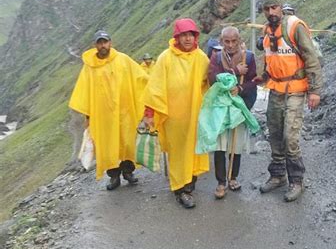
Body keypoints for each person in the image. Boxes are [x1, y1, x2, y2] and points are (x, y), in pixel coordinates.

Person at [258, 0, 323, 202]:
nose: (270, 12)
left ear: (280, 6)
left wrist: (314, 91)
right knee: (275, 133)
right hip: (275, 90)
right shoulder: (268, 30)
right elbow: (271, 57)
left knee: (290, 136)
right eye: (266, 9)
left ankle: (297, 180)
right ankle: (277, 175)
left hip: (295, 90)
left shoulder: (295, 26)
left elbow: (311, 58)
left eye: (273, 7)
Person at [142, 18, 209, 209]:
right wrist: (149, 113)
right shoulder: (165, 58)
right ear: (177, 37)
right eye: (184, 35)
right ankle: (181, 189)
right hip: (173, 117)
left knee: (193, 150)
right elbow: (154, 88)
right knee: (178, 152)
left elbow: (209, 83)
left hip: (195, 115)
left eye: (191, 35)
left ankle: (189, 184)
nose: (188, 39)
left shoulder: (201, 58)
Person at [69, 30, 148, 190]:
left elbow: (140, 77)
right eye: (99, 42)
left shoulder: (123, 60)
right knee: (107, 146)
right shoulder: (89, 68)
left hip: (124, 112)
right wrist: (88, 117)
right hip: (102, 115)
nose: (103, 45)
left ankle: (128, 172)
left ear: (110, 43)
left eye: (105, 42)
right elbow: (85, 92)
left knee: (126, 142)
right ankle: (113, 176)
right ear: (95, 45)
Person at [208, 26, 257, 198]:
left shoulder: (248, 57)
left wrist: (241, 87)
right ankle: (221, 182)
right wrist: (235, 71)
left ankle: (233, 177)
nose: (230, 45)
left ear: (239, 40)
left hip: (238, 107)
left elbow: (253, 81)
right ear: (221, 42)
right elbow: (213, 78)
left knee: (235, 145)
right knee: (220, 145)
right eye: (226, 41)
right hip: (221, 108)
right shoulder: (216, 57)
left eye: (233, 41)